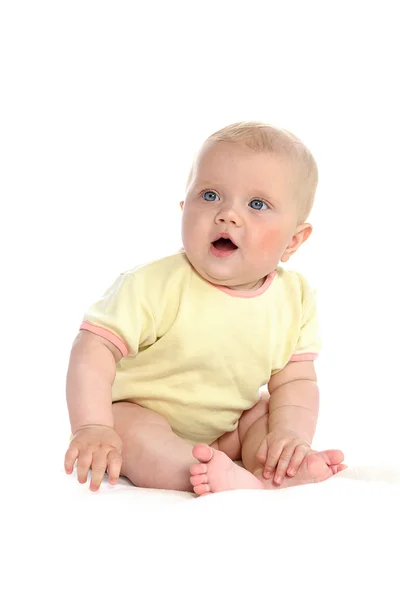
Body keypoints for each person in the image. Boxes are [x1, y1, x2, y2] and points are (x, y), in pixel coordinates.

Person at [64, 121, 346, 494]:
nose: (228, 214)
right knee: (130, 429)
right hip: (142, 413)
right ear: (184, 208)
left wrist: (289, 436)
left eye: (257, 204)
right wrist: (92, 426)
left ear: (293, 240)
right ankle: (204, 472)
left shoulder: (295, 298)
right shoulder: (153, 284)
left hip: (225, 430)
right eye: (210, 195)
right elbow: (93, 348)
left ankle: (278, 466)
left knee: (264, 413)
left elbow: (295, 381)